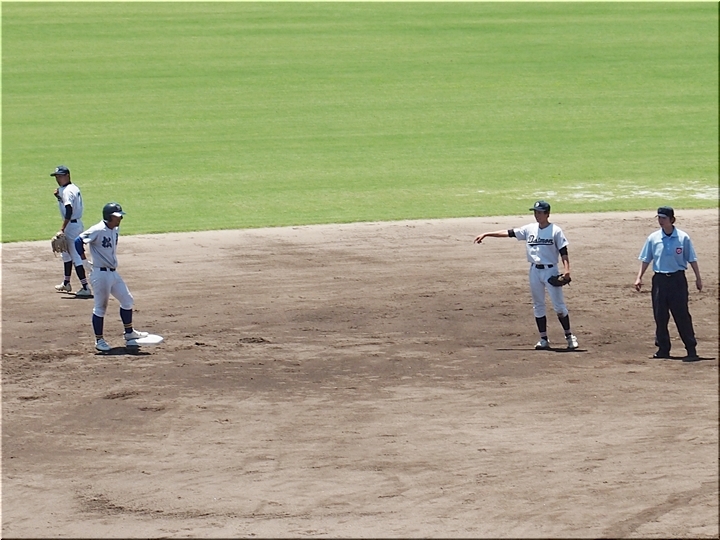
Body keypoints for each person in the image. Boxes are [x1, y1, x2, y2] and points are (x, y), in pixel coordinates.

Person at [474, 200, 579, 350]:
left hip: (551, 270)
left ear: (547, 214)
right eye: (535, 212)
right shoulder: (529, 229)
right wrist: (487, 234)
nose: (537, 215)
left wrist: (567, 270)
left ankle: (569, 337)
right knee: (538, 305)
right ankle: (543, 339)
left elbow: (563, 251)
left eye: (540, 212)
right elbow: (509, 233)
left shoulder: (555, 231)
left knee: (559, 307)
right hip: (534, 271)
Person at [74, 202, 148, 352]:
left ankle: (129, 333)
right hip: (100, 274)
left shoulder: (115, 229)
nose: (120, 219)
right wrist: (83, 261)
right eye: (117, 216)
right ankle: (99, 340)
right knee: (100, 308)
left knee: (127, 300)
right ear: (109, 217)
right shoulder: (97, 229)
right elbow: (78, 241)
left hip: (113, 273)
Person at [634, 206, 702, 360]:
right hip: (660, 280)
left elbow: (692, 259)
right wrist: (639, 277)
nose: (660, 221)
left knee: (682, 315)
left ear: (672, 219)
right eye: (659, 218)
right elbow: (646, 259)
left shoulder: (683, 238)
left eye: (663, 218)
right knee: (660, 315)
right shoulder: (653, 238)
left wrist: (698, 278)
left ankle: (691, 348)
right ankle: (663, 349)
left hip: (677, 280)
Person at [51, 165, 92, 297]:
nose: (58, 179)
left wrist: (62, 229)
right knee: (65, 254)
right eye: (56, 176)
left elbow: (69, 210)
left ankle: (85, 287)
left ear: (67, 176)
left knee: (75, 256)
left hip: (71, 226)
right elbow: (68, 204)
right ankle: (66, 283)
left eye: (60, 176)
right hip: (74, 224)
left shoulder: (67, 191)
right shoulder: (72, 188)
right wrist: (59, 197)